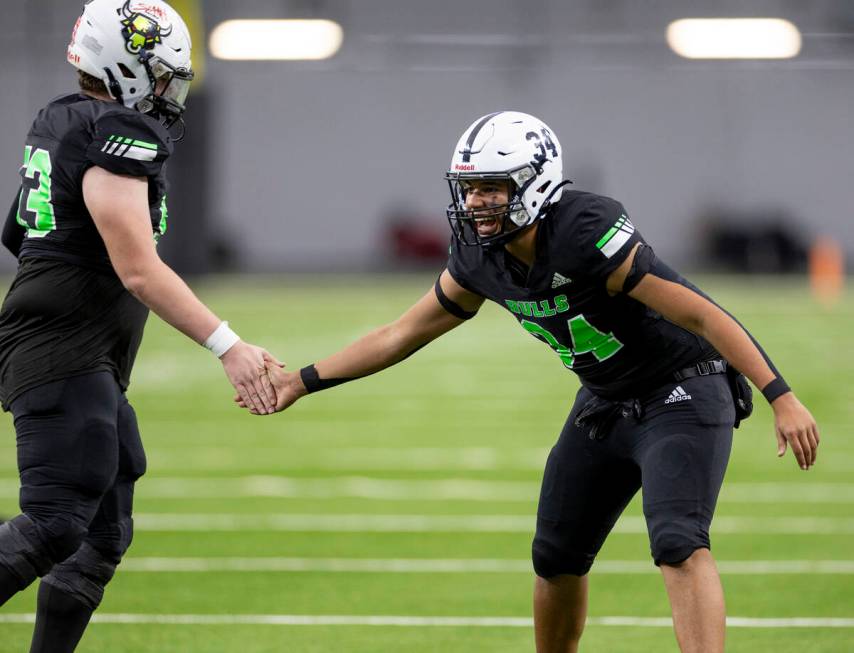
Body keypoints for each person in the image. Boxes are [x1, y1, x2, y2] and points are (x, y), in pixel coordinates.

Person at [248, 111, 820, 652]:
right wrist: (302, 380)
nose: (477, 202)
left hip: (681, 390)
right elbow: (401, 334)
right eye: (469, 188)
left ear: (536, 182)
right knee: (556, 555)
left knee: (677, 540)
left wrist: (781, 395)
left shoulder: (584, 231)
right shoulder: (479, 255)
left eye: (492, 188)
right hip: (606, 400)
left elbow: (699, 312)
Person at [0, 1, 281, 650]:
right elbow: (139, 270)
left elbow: (19, 231)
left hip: (77, 345)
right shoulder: (118, 132)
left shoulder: (62, 118)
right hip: (64, 348)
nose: (168, 89)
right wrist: (227, 345)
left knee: (100, 534)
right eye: (158, 74)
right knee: (55, 524)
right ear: (120, 65)